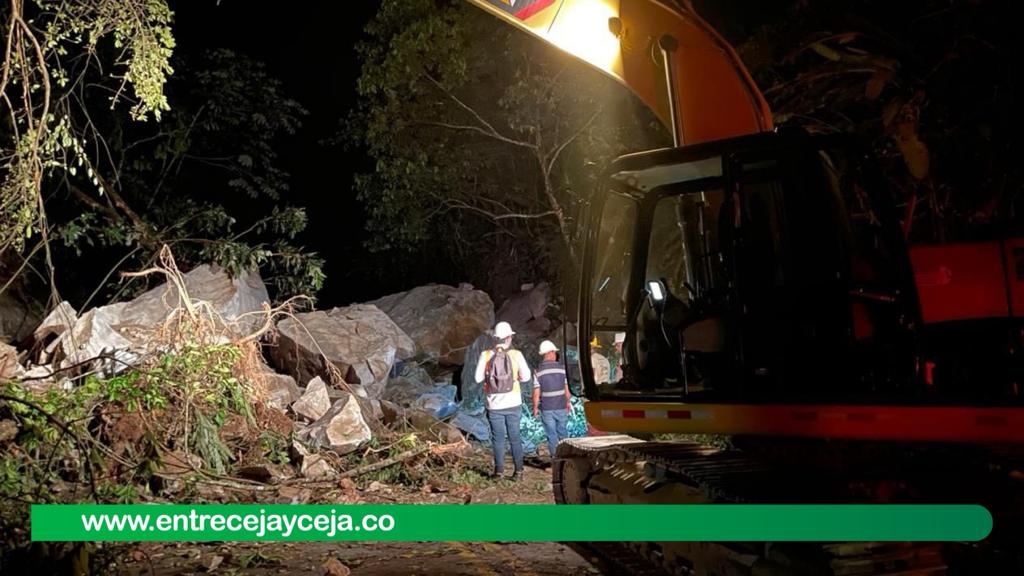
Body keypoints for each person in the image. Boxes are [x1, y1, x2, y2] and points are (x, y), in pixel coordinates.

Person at [474, 321, 532, 481]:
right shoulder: (516, 355)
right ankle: (519, 472)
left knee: (498, 439)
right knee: (515, 437)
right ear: (508, 338)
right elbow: (526, 377)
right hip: (514, 403)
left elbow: (477, 378)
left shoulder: (485, 355)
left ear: (495, 338)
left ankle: (499, 472)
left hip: (494, 405)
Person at [532, 340, 572, 459]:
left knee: (551, 435)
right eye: (554, 352)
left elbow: (536, 392)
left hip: (547, 408)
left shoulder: (538, 372)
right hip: (561, 406)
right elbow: (567, 389)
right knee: (563, 433)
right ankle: (566, 458)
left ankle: (556, 460)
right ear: (550, 352)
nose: (555, 354)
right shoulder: (562, 369)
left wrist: (535, 407)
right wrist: (568, 402)